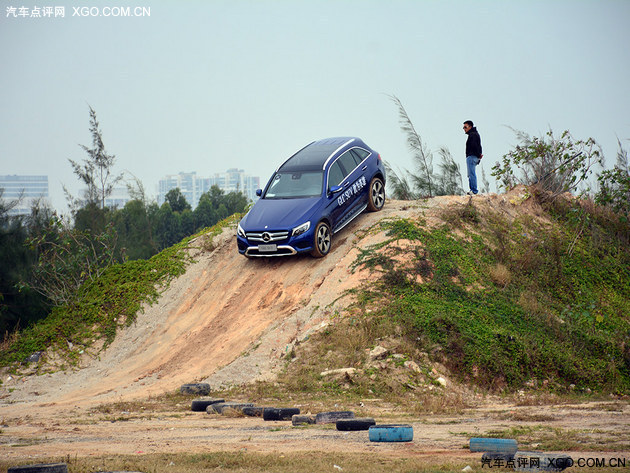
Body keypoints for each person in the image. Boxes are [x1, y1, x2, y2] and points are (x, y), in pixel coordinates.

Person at [463, 120, 483, 195]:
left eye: (465, 127)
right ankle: (472, 189)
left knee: (471, 173)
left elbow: (474, 146)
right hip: (473, 156)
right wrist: (479, 155)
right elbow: (479, 146)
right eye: (463, 127)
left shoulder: (473, 135)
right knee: (470, 174)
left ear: (470, 127)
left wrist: (478, 155)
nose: (464, 129)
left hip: (472, 156)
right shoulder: (474, 134)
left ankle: (474, 190)